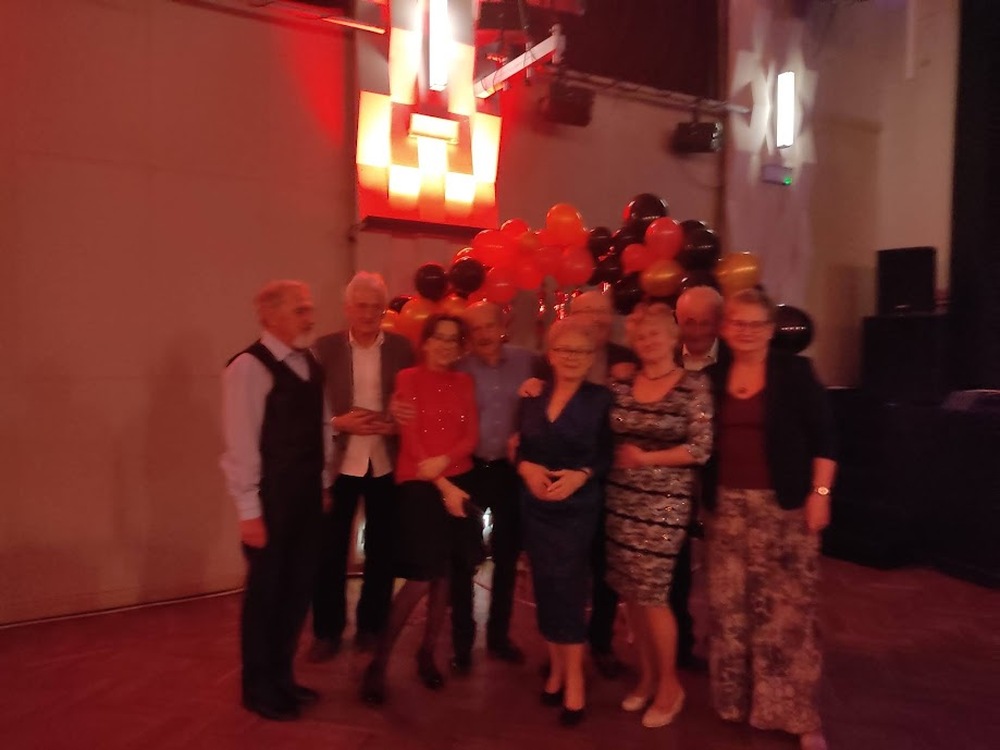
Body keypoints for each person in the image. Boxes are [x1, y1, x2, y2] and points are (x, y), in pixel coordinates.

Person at [703, 288, 836, 750]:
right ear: (725, 328)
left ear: (769, 330)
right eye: (737, 322)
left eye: (756, 324)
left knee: (788, 614)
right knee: (730, 611)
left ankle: (797, 714)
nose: (747, 331)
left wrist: (820, 494)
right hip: (726, 511)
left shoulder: (794, 373)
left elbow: (826, 438)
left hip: (785, 509)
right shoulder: (711, 377)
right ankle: (740, 703)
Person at [220, 280, 330, 720]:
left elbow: (323, 427)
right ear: (270, 316)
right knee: (266, 595)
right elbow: (240, 445)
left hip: (306, 497)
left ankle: (282, 677)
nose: (310, 318)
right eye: (301, 310)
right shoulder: (247, 368)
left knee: (297, 590)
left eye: (309, 309)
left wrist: (324, 483)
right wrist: (249, 512)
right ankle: (258, 687)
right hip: (271, 501)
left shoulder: (310, 362)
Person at [360, 314, 480, 705]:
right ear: (425, 341)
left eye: (453, 339)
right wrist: (442, 483)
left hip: (456, 477)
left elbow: (470, 436)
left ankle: (426, 654)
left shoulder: (464, 382)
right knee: (421, 578)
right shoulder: (408, 378)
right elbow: (411, 441)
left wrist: (444, 466)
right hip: (418, 483)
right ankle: (378, 663)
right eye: (438, 337)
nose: (445, 345)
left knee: (445, 575)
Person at [605, 303, 713, 728]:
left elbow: (700, 448)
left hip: (664, 502)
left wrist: (647, 459)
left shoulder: (693, 386)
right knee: (631, 593)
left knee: (652, 595)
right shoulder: (622, 384)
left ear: (673, 338)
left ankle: (670, 686)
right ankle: (647, 677)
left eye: (655, 333)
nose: (648, 341)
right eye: (641, 335)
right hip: (620, 499)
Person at [308, 272, 414, 660]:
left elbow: (415, 402)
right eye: (361, 306)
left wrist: (397, 423)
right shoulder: (323, 349)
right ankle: (327, 631)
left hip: (386, 462)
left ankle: (372, 626)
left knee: (383, 551)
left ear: (384, 309)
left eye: (375, 307)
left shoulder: (403, 349)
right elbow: (309, 409)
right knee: (329, 551)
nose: (369, 314)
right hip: (339, 464)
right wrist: (339, 423)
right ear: (347, 309)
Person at [516, 318, 613, 726]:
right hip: (535, 505)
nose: (572, 357)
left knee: (569, 589)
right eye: (564, 350)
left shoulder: (601, 399)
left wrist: (582, 475)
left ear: (591, 358)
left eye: (581, 351)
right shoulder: (532, 395)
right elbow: (520, 447)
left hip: (577, 507)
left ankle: (574, 679)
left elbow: (608, 454)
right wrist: (525, 468)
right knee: (544, 587)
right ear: (551, 355)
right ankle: (555, 668)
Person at [449, 301, 539, 672]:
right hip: (468, 469)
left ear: (502, 325)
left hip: (509, 471)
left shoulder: (529, 361)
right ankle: (462, 642)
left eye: (489, 325)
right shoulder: (457, 369)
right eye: (475, 329)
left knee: (506, 555)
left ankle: (499, 637)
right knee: (462, 559)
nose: (484, 334)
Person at [670, 284, 728, 671]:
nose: (693, 331)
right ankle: (680, 644)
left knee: (720, 568)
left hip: (719, 478)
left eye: (703, 322)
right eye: (686, 321)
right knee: (674, 567)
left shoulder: (735, 363)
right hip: (670, 477)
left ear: (718, 323)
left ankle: (724, 643)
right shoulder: (663, 357)